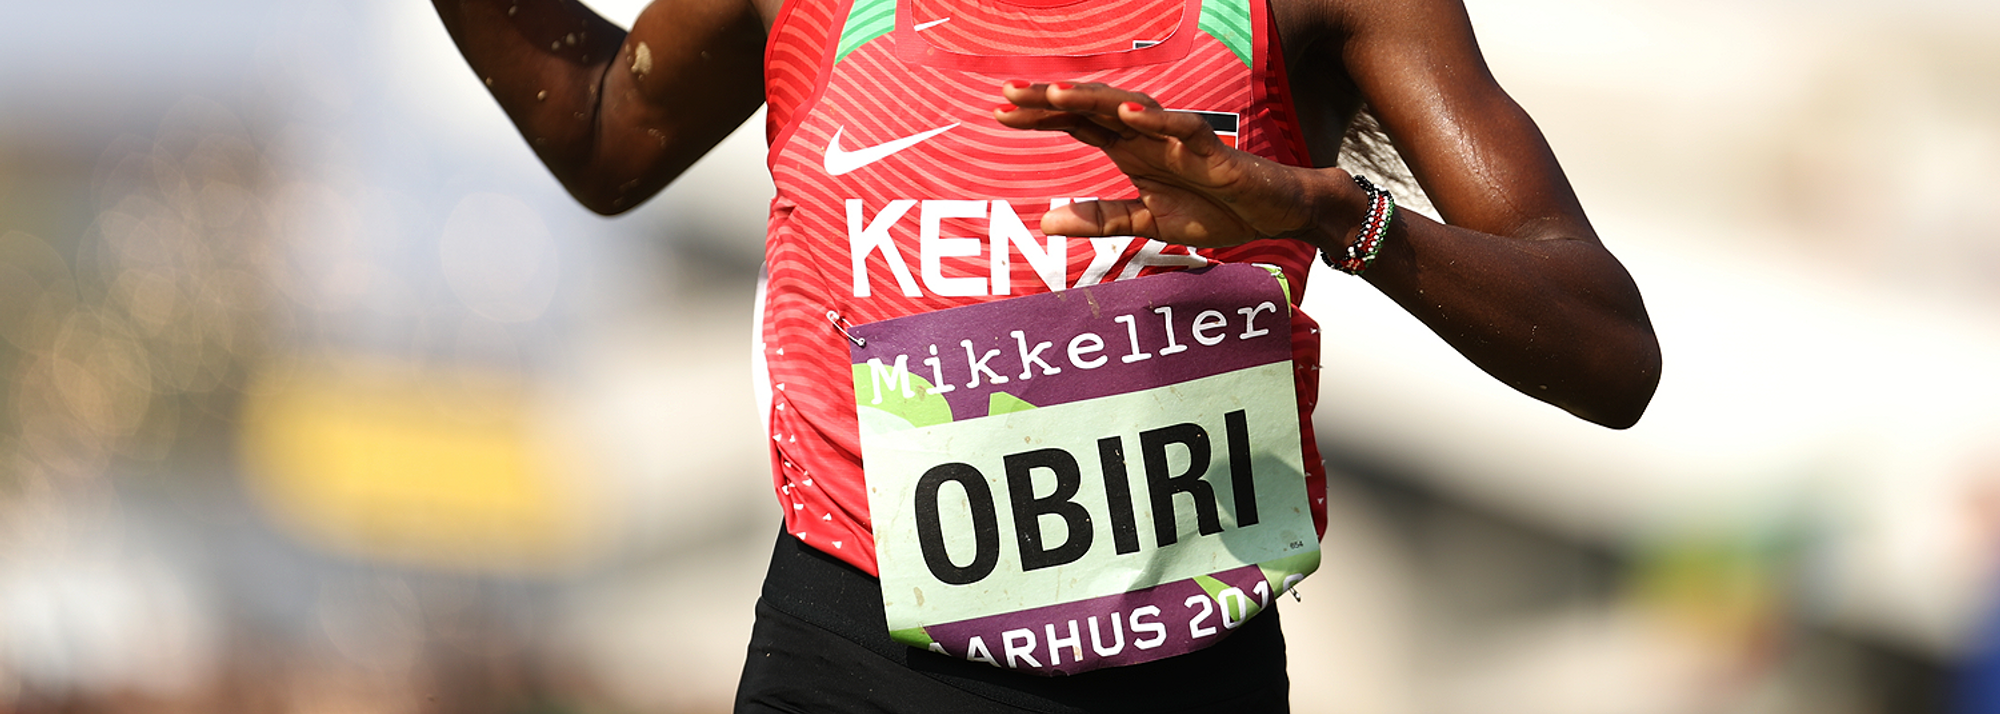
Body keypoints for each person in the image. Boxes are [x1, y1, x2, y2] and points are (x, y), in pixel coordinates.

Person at [433, 0, 1661, 709]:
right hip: (855, 659)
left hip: (1185, 677)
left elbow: (1609, 350)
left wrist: (1327, 214)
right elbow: (605, 136)